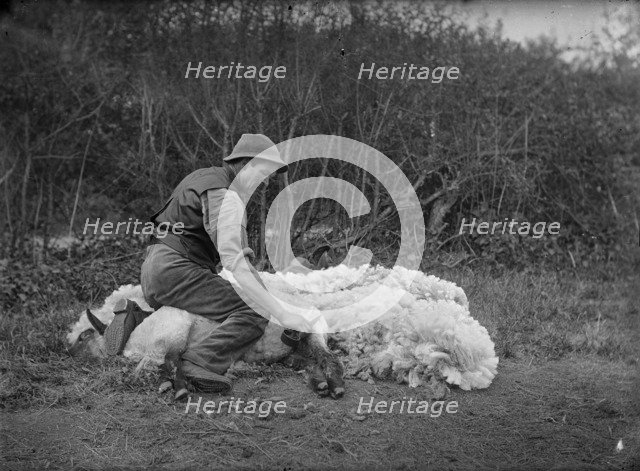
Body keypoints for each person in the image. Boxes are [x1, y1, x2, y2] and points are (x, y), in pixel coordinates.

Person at [106, 134, 312, 393]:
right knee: (255, 309)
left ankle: (137, 317)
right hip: (177, 270)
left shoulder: (205, 177)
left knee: (199, 315)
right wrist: (281, 311)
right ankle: (198, 362)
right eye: (266, 170)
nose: (269, 180)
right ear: (247, 163)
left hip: (155, 270)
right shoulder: (224, 196)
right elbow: (236, 263)